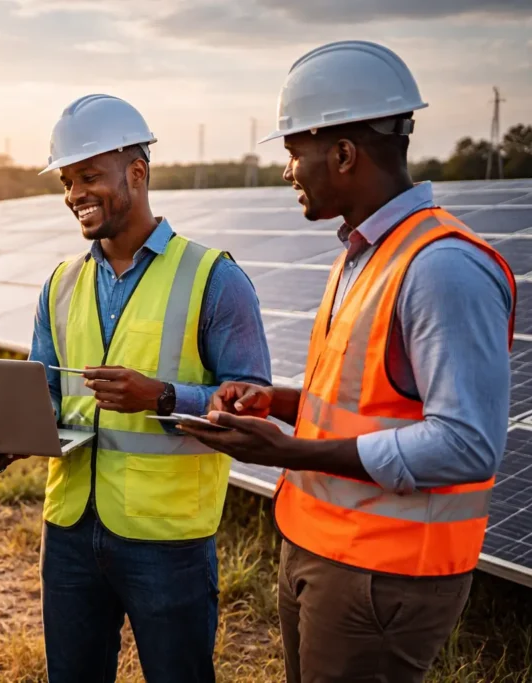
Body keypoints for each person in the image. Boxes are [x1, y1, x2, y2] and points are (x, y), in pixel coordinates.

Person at [178, 41, 517, 683]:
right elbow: (361, 406)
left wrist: (287, 451)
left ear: (342, 154)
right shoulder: (361, 255)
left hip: (385, 575)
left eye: (292, 152)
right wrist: (273, 403)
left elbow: (468, 444)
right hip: (323, 549)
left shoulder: (443, 267)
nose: (286, 172)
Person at [28, 94, 272, 683]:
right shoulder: (59, 285)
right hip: (69, 531)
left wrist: (163, 398)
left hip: (168, 541)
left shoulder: (215, 278)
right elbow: (44, 404)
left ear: (137, 172)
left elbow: (254, 412)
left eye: (89, 176)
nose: (74, 194)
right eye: (67, 181)